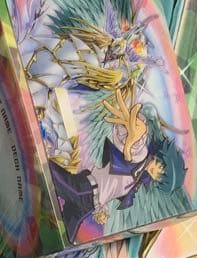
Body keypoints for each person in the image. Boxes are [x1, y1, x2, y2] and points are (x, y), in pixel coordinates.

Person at [49, 88, 187, 243]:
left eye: (159, 177)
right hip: (85, 190)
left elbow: (116, 186)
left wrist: (102, 208)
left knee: (66, 236)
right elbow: (128, 151)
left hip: (90, 204)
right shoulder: (141, 155)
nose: (156, 172)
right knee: (50, 175)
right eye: (161, 167)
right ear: (160, 157)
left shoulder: (140, 176)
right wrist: (137, 131)